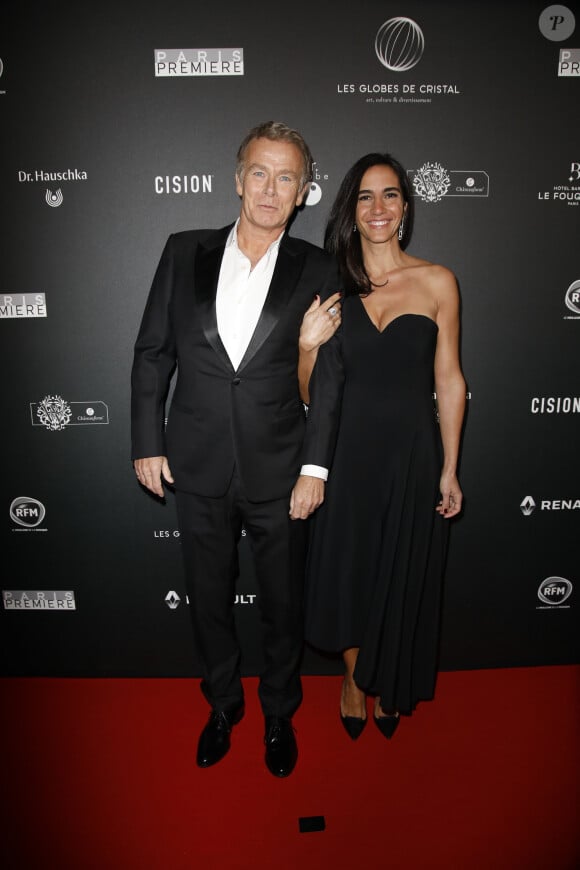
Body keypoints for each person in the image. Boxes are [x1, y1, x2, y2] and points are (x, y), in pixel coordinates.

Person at [131, 121, 341, 776]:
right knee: (207, 598)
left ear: (305, 191)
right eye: (260, 172)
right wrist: (146, 439)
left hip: (281, 471)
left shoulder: (321, 269)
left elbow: (330, 378)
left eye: (287, 177)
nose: (271, 188)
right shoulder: (182, 250)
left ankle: (279, 711)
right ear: (237, 178)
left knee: (282, 604)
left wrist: (314, 466)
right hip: (195, 464)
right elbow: (152, 354)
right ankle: (223, 703)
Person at [301, 152, 466, 740]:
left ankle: (386, 677)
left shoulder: (438, 280)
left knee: (400, 574)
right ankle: (354, 677)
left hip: (412, 457)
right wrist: (306, 347)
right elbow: (310, 391)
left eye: (390, 195)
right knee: (348, 574)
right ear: (351, 209)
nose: (378, 208)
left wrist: (449, 468)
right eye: (365, 196)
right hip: (345, 456)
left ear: (405, 207)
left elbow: (449, 379)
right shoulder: (332, 289)